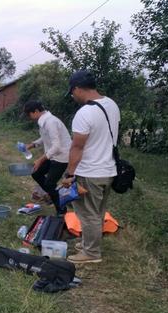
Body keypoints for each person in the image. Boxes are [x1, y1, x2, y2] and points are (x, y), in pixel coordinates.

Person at [61, 70, 120, 264]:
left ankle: (92, 253)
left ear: (77, 88)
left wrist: (69, 174)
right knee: (98, 211)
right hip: (109, 169)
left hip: (90, 172)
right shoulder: (111, 105)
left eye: (72, 92)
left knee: (87, 214)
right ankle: (88, 243)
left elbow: (77, 147)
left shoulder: (84, 113)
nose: (72, 96)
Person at [23, 100, 71, 215]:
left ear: (36, 111)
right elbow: (44, 138)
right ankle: (53, 193)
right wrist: (32, 144)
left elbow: (57, 146)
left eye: (29, 115)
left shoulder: (51, 122)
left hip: (61, 156)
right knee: (36, 173)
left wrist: (40, 159)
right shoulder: (44, 121)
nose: (30, 118)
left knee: (49, 184)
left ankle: (61, 210)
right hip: (52, 154)